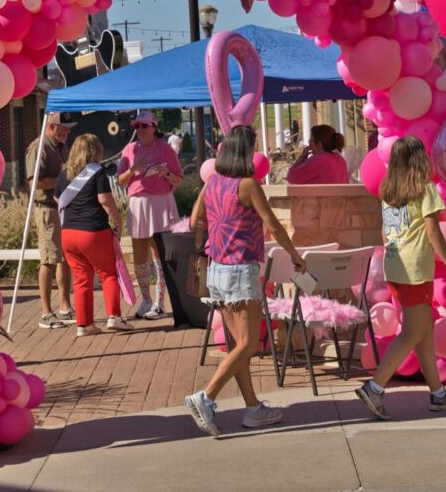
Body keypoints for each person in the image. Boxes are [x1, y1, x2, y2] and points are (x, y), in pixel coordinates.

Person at [185, 125, 307, 437]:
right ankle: (206, 396)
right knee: (249, 342)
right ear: (246, 152)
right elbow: (274, 225)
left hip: (216, 268)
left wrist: (217, 228)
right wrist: (295, 256)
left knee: (238, 345)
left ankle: (252, 408)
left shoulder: (211, 182)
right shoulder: (248, 185)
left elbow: (193, 219)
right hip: (240, 268)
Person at [355, 135, 446, 420]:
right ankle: (375, 388)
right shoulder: (426, 191)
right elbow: (433, 233)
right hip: (415, 269)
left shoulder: (388, 192)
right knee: (413, 332)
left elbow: (384, 233)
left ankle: (438, 394)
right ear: (419, 160)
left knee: (424, 328)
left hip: (395, 267)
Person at [55, 134, 135, 337]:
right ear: (94, 151)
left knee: (81, 280)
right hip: (93, 231)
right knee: (107, 273)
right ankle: (114, 317)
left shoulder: (64, 173)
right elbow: (105, 200)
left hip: (68, 233)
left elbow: (57, 198)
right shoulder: (97, 172)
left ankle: (84, 325)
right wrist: (117, 220)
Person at [117, 110, 183, 320]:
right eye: (137, 126)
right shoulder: (129, 149)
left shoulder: (165, 149)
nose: (140, 130)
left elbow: (178, 180)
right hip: (138, 204)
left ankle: (160, 302)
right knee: (140, 254)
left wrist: (166, 173)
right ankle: (145, 300)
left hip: (161, 203)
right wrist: (133, 170)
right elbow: (120, 180)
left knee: (159, 253)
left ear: (154, 128)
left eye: (144, 126)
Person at [26, 112, 76, 329]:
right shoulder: (39, 147)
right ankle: (46, 312)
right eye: (62, 128)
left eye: (68, 128)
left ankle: (65, 306)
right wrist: (64, 182)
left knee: (64, 258)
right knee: (48, 259)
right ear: (51, 126)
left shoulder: (60, 146)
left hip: (62, 208)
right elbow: (34, 182)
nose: (67, 131)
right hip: (47, 210)